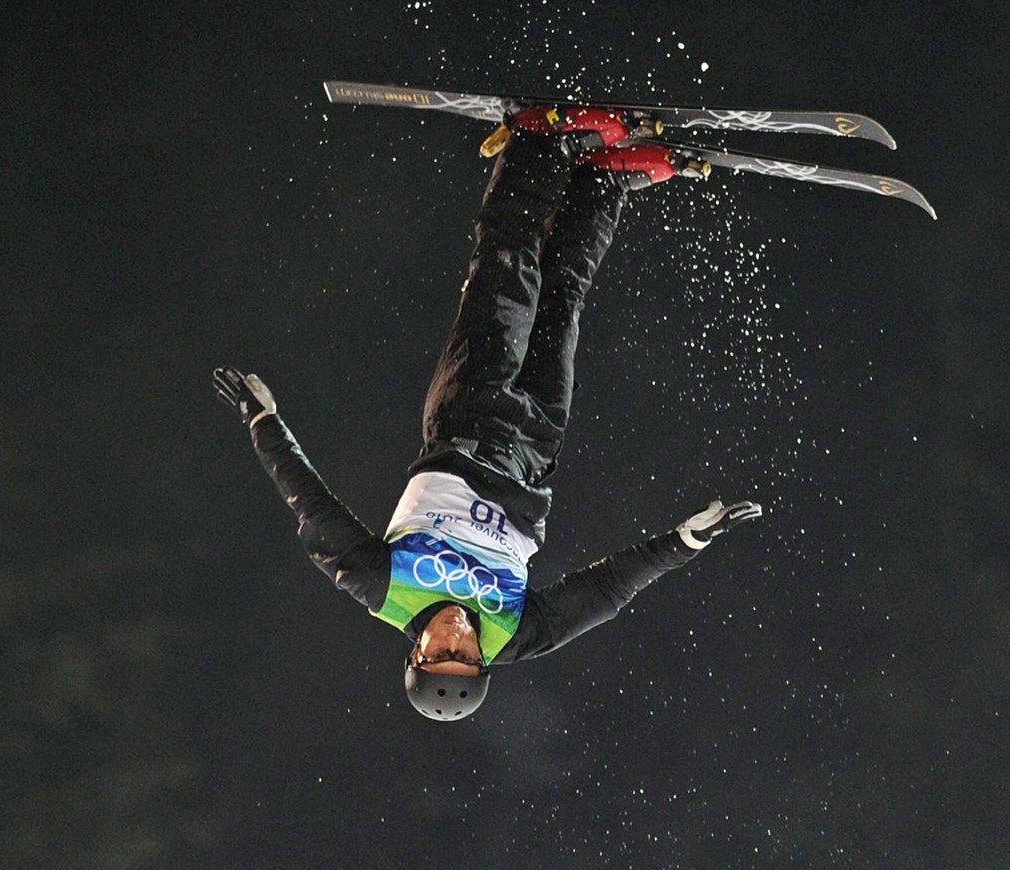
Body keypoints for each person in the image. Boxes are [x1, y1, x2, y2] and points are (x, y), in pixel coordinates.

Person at [217, 107, 762, 720]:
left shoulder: (382, 588)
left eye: (440, 650)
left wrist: (264, 424)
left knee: (508, 271)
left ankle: (535, 143)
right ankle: (602, 182)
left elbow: (312, 508)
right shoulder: (514, 636)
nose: (457, 636)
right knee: (563, 300)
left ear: (416, 651)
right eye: (466, 653)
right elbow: (605, 591)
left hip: (469, 418)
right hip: (534, 446)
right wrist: (684, 543)